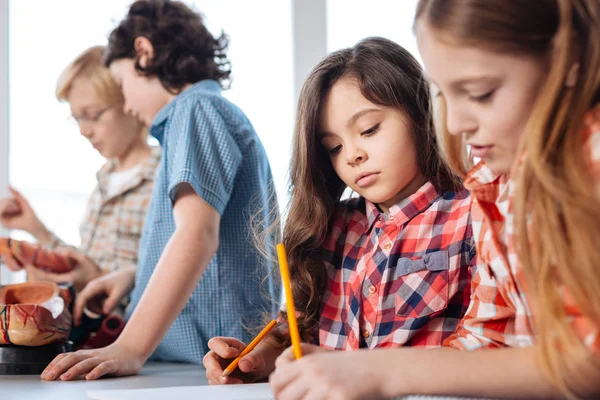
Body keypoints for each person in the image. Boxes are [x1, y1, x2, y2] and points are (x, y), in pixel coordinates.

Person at [268, 1, 600, 399]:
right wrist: (345, 368)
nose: (456, 123)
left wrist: (385, 371)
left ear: (567, 62)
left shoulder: (587, 159)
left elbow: (588, 358)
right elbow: (487, 338)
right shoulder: (496, 186)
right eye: (444, 95)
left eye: (480, 93)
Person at [204, 36, 474, 387]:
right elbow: (299, 334)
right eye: (333, 147)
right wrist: (256, 358)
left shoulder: (472, 215)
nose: (352, 155)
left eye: (369, 129)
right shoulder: (333, 227)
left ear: (422, 114)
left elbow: (489, 345)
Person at [40, 0, 279, 381]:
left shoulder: (194, 109)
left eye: (121, 85)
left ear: (144, 53)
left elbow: (197, 234)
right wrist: (138, 274)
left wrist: (129, 348)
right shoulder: (206, 112)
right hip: (192, 361)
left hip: (199, 362)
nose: (127, 104)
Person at [0, 45, 159, 295]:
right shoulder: (105, 179)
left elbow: (170, 277)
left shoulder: (162, 176)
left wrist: (99, 279)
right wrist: (35, 228)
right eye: (77, 119)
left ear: (130, 103)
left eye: (93, 115)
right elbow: (86, 266)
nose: (83, 130)